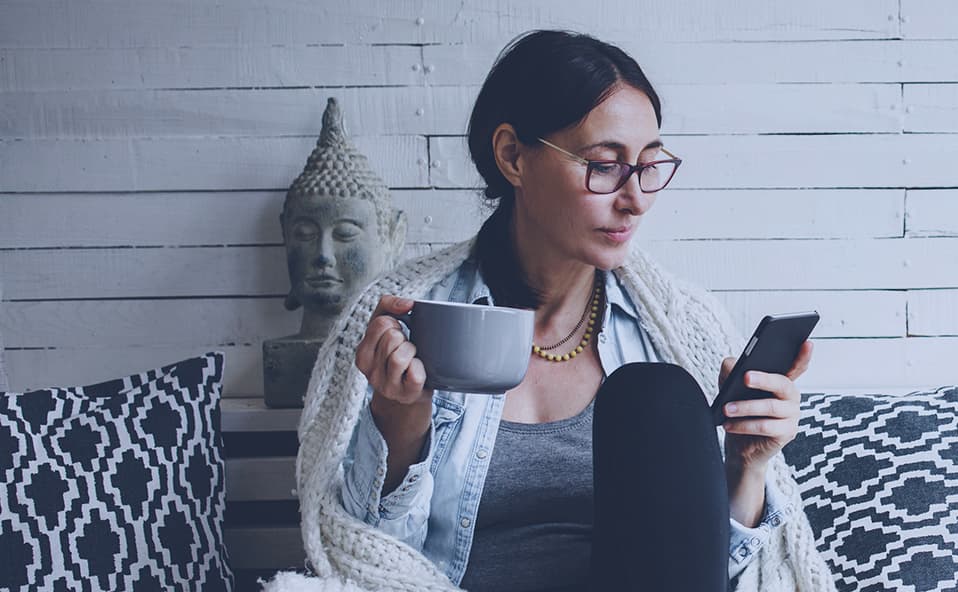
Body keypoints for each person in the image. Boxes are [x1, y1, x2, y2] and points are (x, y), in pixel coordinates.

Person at [297, 29, 835, 591]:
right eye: (604, 165)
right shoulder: (404, 323)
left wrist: (746, 466)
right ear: (512, 157)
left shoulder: (681, 328)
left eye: (649, 165)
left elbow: (719, 574)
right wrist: (399, 418)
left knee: (657, 394)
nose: (636, 198)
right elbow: (359, 560)